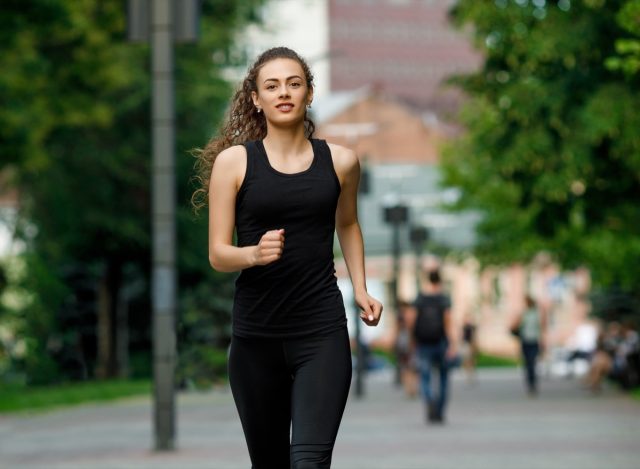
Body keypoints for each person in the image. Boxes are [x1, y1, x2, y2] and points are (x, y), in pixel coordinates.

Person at [192, 47, 383, 469]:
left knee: (310, 463)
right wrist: (253, 254)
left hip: (321, 332)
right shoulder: (235, 163)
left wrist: (363, 288)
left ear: (309, 93)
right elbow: (218, 254)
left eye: (294, 84)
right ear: (256, 99)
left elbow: (347, 225)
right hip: (255, 338)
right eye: (272, 85)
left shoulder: (341, 162)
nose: (284, 93)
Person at [412, 268, 457, 424]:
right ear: (440, 279)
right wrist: (452, 344)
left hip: (424, 342)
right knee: (443, 377)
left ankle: (429, 398)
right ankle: (439, 411)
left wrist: (413, 340)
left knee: (425, 377)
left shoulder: (421, 297)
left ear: (428, 279)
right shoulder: (443, 298)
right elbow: (448, 322)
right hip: (441, 342)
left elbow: (412, 319)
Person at [510, 295, 547, 396]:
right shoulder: (524, 313)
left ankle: (533, 383)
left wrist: (543, 341)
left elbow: (542, 327)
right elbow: (516, 325)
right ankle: (530, 383)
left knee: (532, 362)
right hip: (525, 340)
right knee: (527, 363)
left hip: (534, 341)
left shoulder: (536, 313)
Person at [460, 313, 478, 385]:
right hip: (465, 344)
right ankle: (467, 372)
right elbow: (462, 337)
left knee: (471, 360)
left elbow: (474, 337)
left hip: (471, 344)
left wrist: (474, 345)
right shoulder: (464, 327)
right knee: (466, 359)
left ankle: (471, 372)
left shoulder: (472, 327)